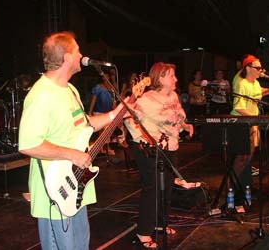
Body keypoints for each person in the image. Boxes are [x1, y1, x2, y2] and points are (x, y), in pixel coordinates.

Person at [18, 31, 126, 250]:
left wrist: (117, 113)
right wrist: (73, 154)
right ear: (67, 58)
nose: (81, 56)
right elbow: (28, 144)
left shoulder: (70, 90)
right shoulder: (41, 95)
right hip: (55, 191)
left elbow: (85, 126)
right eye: (77, 51)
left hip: (76, 185)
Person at [124, 62, 194, 249]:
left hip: (171, 146)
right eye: (171, 75)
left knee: (167, 188)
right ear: (160, 77)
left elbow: (179, 118)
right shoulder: (146, 98)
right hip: (149, 149)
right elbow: (127, 117)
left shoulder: (174, 96)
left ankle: (160, 223)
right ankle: (143, 232)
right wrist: (140, 137)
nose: (176, 79)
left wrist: (185, 126)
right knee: (152, 189)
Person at [230, 54, 269, 191]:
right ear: (248, 68)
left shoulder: (255, 83)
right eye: (258, 67)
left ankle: (244, 186)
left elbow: (258, 94)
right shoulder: (241, 83)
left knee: (248, 158)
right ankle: (232, 189)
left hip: (251, 122)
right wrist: (257, 119)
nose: (261, 70)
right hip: (242, 124)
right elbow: (239, 108)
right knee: (242, 158)